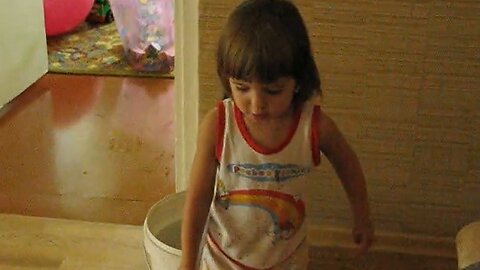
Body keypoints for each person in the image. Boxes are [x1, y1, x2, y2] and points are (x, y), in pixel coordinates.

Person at [180, 0, 374, 269]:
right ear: (227, 80)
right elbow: (199, 196)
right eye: (242, 87)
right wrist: (188, 260)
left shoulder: (314, 127)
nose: (256, 104)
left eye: (273, 91)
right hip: (223, 259)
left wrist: (362, 214)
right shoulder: (218, 126)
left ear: (298, 82)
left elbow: (348, 164)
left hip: (287, 259)